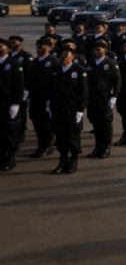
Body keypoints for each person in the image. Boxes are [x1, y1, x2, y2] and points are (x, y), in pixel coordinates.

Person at [48, 42, 87, 174]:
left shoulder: (79, 71)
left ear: (73, 57)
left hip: (73, 109)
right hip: (58, 108)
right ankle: (63, 159)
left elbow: (84, 93)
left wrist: (80, 110)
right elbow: (51, 89)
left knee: (73, 135)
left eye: (66, 55)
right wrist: (49, 105)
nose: (63, 57)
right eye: (62, 55)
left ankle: (73, 160)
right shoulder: (55, 70)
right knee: (60, 135)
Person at [85, 40, 121, 159]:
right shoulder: (90, 63)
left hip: (105, 97)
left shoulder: (110, 63)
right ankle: (97, 147)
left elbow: (117, 81)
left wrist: (114, 96)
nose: (96, 51)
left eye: (98, 49)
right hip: (92, 97)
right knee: (95, 123)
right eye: (94, 49)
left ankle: (106, 147)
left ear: (105, 50)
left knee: (105, 123)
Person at [25, 39, 57, 158]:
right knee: (36, 121)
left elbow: (56, 82)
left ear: (49, 48)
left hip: (47, 97)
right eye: (38, 47)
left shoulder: (53, 62)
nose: (40, 49)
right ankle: (41, 145)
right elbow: (29, 80)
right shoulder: (34, 62)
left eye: (43, 47)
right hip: (35, 97)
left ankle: (47, 146)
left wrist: (52, 99)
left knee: (46, 123)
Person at [0, 38, 25, 171]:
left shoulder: (14, 64)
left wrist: (16, 103)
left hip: (9, 104)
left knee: (10, 132)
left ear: (8, 49)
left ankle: (10, 157)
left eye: (1, 46)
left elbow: (19, 85)